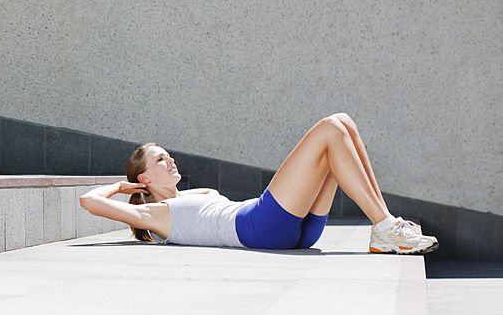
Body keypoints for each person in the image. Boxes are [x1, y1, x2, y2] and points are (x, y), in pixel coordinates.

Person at [79, 113, 438, 254]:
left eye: (167, 154)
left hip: (296, 232)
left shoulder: (191, 195)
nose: (170, 159)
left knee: (344, 124)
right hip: (259, 228)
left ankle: (386, 223)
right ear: (144, 178)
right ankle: (385, 228)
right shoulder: (156, 216)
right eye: (160, 159)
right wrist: (122, 188)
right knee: (329, 128)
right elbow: (88, 201)